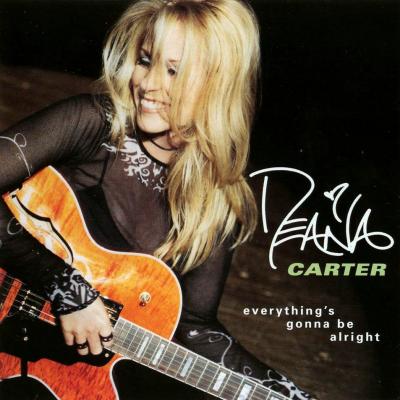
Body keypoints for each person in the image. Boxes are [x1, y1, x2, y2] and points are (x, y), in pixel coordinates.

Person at [0, 0, 313, 399]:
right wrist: (65, 287)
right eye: (146, 61)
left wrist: (287, 393)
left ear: (217, 85)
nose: (148, 85)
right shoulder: (93, 125)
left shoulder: (219, 199)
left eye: (174, 71)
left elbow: (194, 328)